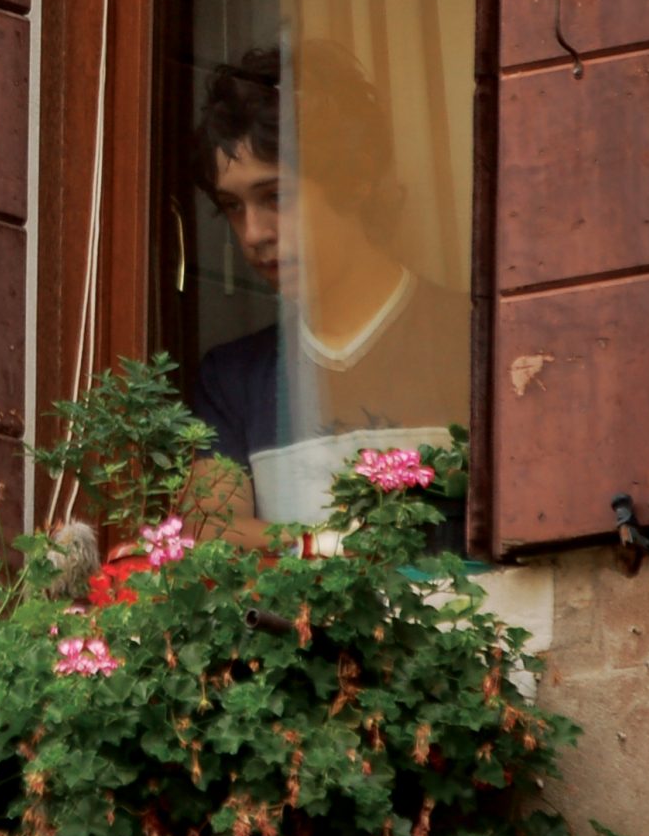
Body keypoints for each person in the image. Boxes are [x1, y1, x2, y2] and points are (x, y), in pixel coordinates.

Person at [185, 42, 468, 550]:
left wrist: (300, 549)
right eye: (233, 206)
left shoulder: (470, 340)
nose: (253, 233)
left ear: (356, 181)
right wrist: (337, 549)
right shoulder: (233, 379)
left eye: (276, 196)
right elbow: (210, 533)